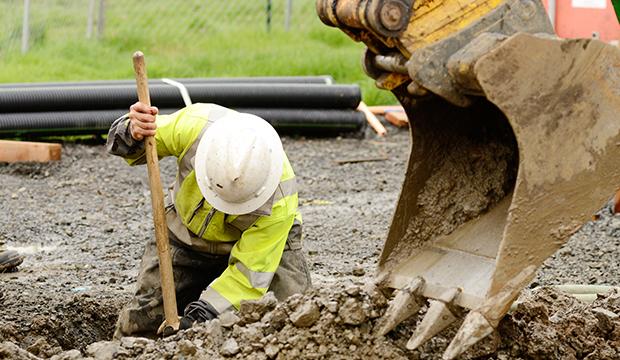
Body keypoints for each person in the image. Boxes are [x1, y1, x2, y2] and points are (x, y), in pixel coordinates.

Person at [107, 102, 312, 338]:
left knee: (293, 323)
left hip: (264, 250)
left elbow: (248, 279)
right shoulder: (195, 126)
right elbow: (139, 144)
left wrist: (198, 319)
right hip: (185, 234)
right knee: (140, 326)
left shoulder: (279, 202)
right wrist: (132, 131)